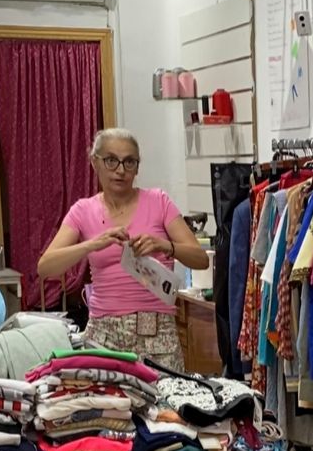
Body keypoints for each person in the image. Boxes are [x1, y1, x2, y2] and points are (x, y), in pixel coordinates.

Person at [38, 127, 209, 371]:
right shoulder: (83, 211)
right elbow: (46, 267)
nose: (120, 170)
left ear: (137, 168)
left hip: (157, 334)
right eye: (111, 160)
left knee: (164, 396)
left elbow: (201, 259)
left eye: (129, 162)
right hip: (103, 335)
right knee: (104, 398)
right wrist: (93, 244)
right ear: (94, 162)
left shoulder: (159, 202)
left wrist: (165, 246)